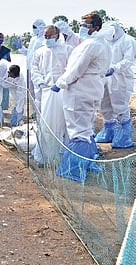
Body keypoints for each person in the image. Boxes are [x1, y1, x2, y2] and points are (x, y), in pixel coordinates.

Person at [50, 13, 112, 182]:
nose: (82, 27)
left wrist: (61, 82)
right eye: (81, 24)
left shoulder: (91, 45)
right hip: (93, 90)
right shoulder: (104, 44)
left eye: (86, 25)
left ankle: (73, 170)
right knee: (87, 128)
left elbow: (76, 69)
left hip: (80, 91)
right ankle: (88, 162)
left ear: (96, 27)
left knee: (79, 131)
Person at [30, 25, 73, 164]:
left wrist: (61, 83)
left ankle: (62, 154)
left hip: (62, 91)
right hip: (45, 92)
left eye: (50, 36)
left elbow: (71, 70)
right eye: (46, 36)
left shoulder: (67, 50)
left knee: (64, 123)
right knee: (45, 123)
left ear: (57, 35)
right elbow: (34, 68)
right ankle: (45, 155)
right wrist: (40, 82)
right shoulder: (40, 51)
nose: (48, 39)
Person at [95, 21, 135, 148]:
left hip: (121, 79)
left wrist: (115, 68)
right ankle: (108, 132)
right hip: (105, 78)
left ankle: (123, 138)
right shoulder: (106, 41)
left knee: (120, 106)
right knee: (105, 105)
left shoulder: (128, 40)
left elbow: (128, 60)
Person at [12, 19, 46, 114]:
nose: (33, 29)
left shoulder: (43, 40)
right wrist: (21, 47)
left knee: (38, 92)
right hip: (29, 69)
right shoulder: (33, 39)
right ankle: (34, 112)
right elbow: (28, 53)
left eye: (35, 27)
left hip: (38, 70)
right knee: (30, 92)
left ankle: (40, 112)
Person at [0, 59, 26, 127]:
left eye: (15, 77)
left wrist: (19, 107)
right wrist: (4, 82)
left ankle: (16, 120)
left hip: (12, 84)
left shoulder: (20, 77)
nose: (14, 78)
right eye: (13, 76)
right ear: (9, 72)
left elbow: (21, 93)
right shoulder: (2, 66)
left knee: (19, 99)